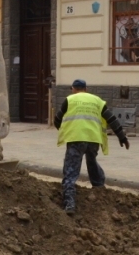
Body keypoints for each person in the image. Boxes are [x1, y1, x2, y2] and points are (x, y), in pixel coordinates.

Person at [54, 79, 130, 215]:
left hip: (76, 138)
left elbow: (57, 119)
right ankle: (99, 188)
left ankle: (70, 203)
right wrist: (122, 137)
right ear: (86, 89)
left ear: (73, 89)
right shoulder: (97, 100)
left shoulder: (69, 100)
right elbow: (112, 119)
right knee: (91, 162)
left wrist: (64, 130)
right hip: (93, 139)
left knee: (71, 170)